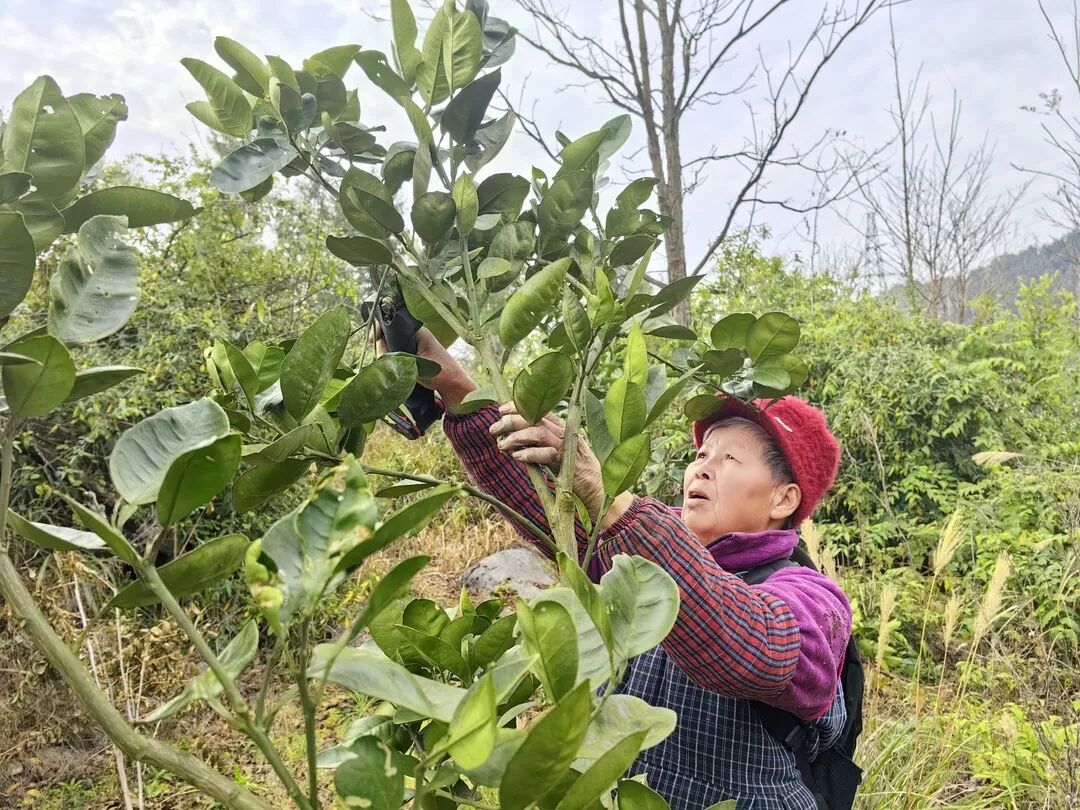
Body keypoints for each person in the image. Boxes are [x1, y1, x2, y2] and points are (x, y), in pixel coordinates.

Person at [371, 326, 853, 810]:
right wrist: (452, 384)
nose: (702, 468)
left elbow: (753, 647)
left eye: (730, 459)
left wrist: (608, 496)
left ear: (783, 499)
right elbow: (537, 498)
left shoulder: (814, 600)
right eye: (701, 454)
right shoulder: (641, 546)